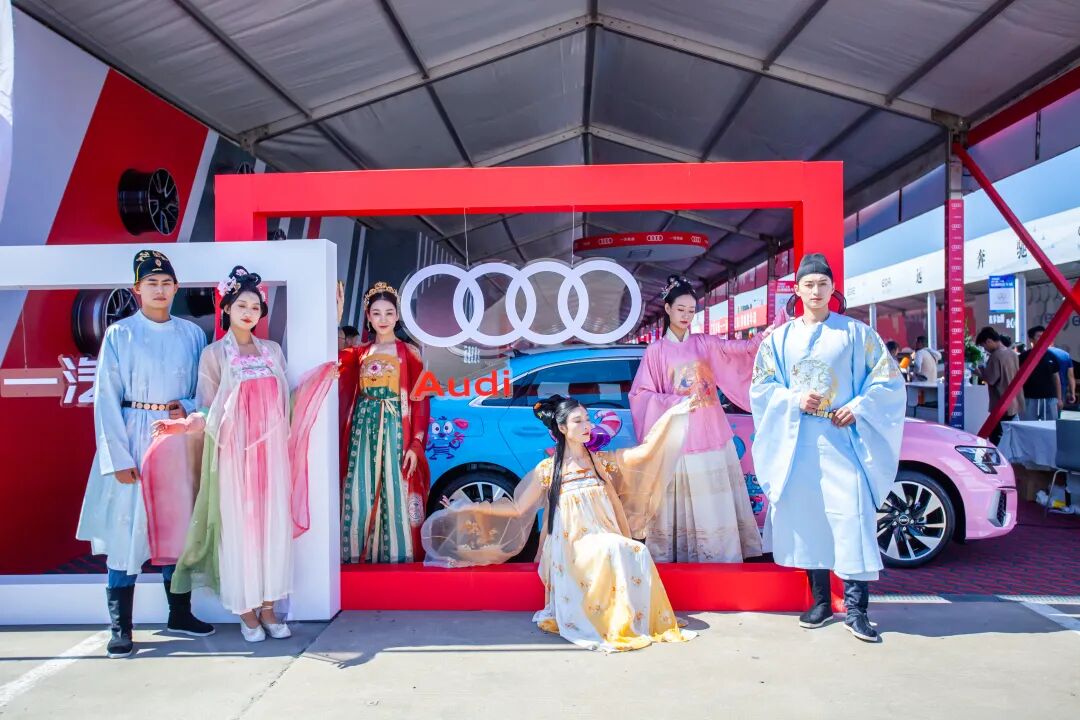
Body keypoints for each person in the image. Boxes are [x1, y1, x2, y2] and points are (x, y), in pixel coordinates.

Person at [422, 394, 696, 652]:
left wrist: (676, 413)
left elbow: (644, 455)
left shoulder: (599, 462)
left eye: (587, 419)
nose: (587, 425)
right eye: (578, 421)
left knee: (635, 549)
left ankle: (629, 621)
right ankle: (610, 623)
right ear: (563, 428)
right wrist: (469, 506)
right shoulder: (548, 470)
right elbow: (517, 508)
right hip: (570, 545)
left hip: (602, 536)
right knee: (612, 549)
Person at [150, 266, 335, 642]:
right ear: (227, 309)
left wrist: (319, 379)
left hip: (271, 456)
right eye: (241, 305)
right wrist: (182, 426)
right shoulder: (214, 354)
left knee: (272, 529)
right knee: (240, 531)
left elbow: (285, 402)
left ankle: (269, 607)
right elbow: (206, 407)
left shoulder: (272, 351)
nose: (249, 312)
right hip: (233, 456)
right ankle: (246, 611)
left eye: (255, 307)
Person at [750, 254, 905, 644]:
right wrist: (793, 400)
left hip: (842, 440)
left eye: (823, 283)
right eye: (809, 284)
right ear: (797, 290)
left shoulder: (856, 334)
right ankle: (820, 601)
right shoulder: (778, 340)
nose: (816, 291)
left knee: (852, 518)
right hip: (798, 443)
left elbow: (887, 380)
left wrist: (858, 408)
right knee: (809, 520)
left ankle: (856, 610)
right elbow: (761, 388)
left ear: (833, 288)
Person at [75, 249, 214, 659]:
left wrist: (186, 407)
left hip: (175, 436)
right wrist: (118, 458)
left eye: (166, 283)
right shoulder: (120, 334)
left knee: (175, 525)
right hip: (133, 431)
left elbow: (204, 389)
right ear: (137, 289)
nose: (159, 290)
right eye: (151, 283)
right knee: (127, 529)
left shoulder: (192, 334)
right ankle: (121, 626)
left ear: (176, 287)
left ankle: (180, 613)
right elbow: (105, 398)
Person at [628, 275, 766, 563]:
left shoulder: (705, 343)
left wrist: (769, 334)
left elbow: (742, 351)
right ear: (667, 309)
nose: (686, 316)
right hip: (678, 436)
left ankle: (719, 557)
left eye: (691, 311)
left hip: (710, 431)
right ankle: (680, 558)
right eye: (680, 309)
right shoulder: (655, 351)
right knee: (680, 500)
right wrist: (675, 402)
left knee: (712, 502)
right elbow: (641, 395)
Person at [340, 282, 431, 563]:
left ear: (397, 316)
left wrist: (416, 443)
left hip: (396, 428)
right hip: (363, 428)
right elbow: (332, 364)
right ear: (368, 316)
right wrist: (335, 318)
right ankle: (356, 555)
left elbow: (420, 400)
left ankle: (398, 556)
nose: (383, 319)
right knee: (360, 487)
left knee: (396, 486)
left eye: (389, 313)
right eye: (376, 313)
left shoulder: (410, 353)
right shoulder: (359, 353)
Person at [975, 327, 1024, 444]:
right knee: (1008, 435)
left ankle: (997, 455)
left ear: (989, 341)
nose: (985, 349)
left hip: (1001, 402)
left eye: (984, 346)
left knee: (995, 436)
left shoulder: (996, 356)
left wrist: (979, 372)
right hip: (1014, 401)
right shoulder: (1012, 353)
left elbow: (991, 379)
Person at [1019, 326, 1062, 420]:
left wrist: (1059, 398)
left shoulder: (1051, 356)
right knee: (1028, 425)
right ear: (1031, 339)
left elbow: (1056, 378)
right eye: (1039, 336)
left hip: (1049, 398)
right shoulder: (1023, 357)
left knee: (1050, 425)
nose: (1042, 338)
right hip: (1029, 398)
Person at [1046, 338, 1077, 408]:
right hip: (1061, 389)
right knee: (1056, 411)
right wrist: (1072, 393)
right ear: (1052, 342)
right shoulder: (1065, 355)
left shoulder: (1040, 353)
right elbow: (1071, 377)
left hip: (1042, 389)